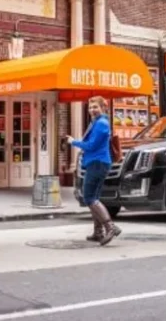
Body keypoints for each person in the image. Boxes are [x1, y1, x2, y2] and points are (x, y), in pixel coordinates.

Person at [67, 96, 121, 246]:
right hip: (97, 163)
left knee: (89, 197)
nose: (92, 110)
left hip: (97, 163)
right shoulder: (96, 123)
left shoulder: (102, 124)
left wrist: (73, 142)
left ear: (103, 107)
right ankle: (98, 232)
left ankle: (110, 227)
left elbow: (91, 146)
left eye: (95, 107)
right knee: (94, 197)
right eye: (90, 107)